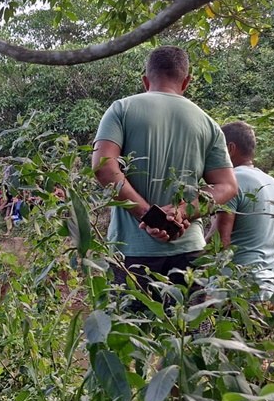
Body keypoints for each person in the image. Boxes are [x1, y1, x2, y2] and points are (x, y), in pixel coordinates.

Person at [92, 45, 238, 296]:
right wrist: (182, 212)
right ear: (187, 81)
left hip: (132, 253)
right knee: (186, 320)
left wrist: (149, 216)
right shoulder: (208, 124)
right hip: (190, 253)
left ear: (145, 80)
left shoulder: (122, 109)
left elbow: (103, 167)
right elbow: (227, 186)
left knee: (132, 321)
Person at [209, 121, 274, 302]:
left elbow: (220, 243)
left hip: (237, 291)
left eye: (215, 150)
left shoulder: (232, 183)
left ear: (230, 149)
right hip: (271, 287)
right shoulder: (272, 182)